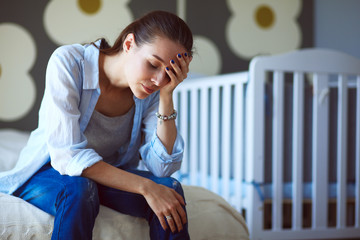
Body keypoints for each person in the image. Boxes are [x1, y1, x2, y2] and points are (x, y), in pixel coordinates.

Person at [0, 10, 193, 240]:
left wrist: (166, 96)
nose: (159, 80)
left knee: (170, 189)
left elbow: (162, 168)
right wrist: (145, 186)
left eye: (169, 74)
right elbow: (68, 156)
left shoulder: (153, 92)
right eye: (153, 64)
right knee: (80, 189)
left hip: (102, 179)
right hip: (49, 173)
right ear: (129, 43)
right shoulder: (69, 62)